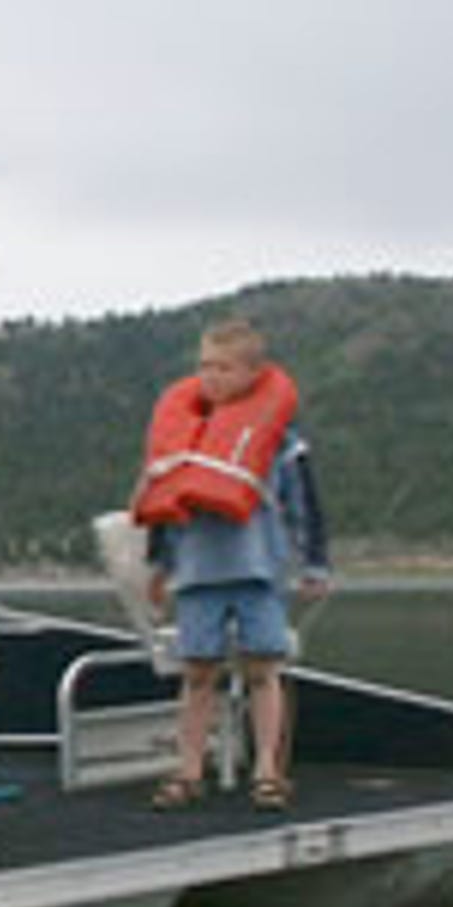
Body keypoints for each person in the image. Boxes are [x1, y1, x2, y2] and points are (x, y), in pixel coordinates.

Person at [134, 317, 331, 812]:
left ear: (251, 374)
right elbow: (164, 505)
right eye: (204, 367)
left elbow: (305, 505)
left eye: (223, 368)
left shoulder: (281, 440)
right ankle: (188, 770)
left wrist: (315, 566)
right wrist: (159, 568)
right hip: (197, 574)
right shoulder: (184, 430)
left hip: (259, 572)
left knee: (264, 670)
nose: (211, 378)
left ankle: (267, 768)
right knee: (197, 674)